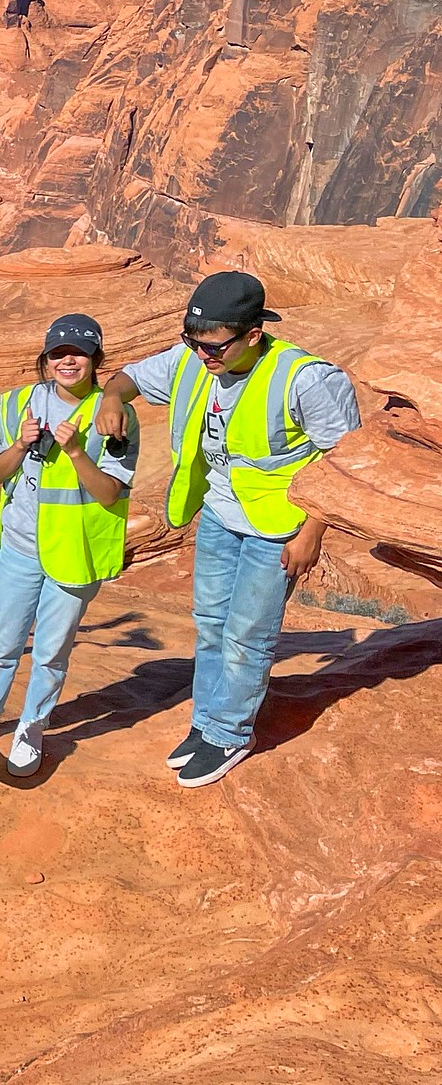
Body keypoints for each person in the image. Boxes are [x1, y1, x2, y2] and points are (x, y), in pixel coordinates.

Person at [95, 270, 360, 787]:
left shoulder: (306, 379)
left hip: (276, 525)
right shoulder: (193, 361)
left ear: (253, 334)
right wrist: (111, 398)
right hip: (219, 513)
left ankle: (232, 734)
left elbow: (346, 463)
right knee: (211, 622)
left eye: (214, 346)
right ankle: (207, 723)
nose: (203, 357)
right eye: (193, 343)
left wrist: (313, 533)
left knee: (247, 635)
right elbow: (126, 378)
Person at [0, 315, 138, 776]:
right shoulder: (16, 403)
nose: (68, 360)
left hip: (75, 553)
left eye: (79, 352)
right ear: (45, 359)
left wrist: (77, 452)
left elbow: (109, 494)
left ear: (96, 359)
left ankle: (32, 725)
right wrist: (20, 446)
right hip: (19, 546)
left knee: (50, 650)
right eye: (58, 352)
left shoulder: (113, 415)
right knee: (2, 640)